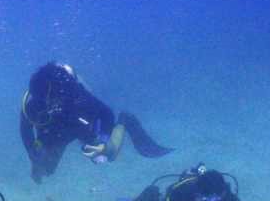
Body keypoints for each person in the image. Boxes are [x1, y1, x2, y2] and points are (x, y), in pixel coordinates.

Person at [20, 61, 174, 183]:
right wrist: (33, 156)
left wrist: (103, 142)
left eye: (48, 101)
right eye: (41, 101)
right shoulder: (34, 102)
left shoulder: (75, 95)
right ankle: (44, 163)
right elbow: (25, 128)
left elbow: (106, 113)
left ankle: (125, 120)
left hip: (78, 123)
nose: (44, 104)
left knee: (107, 155)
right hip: (54, 129)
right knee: (47, 170)